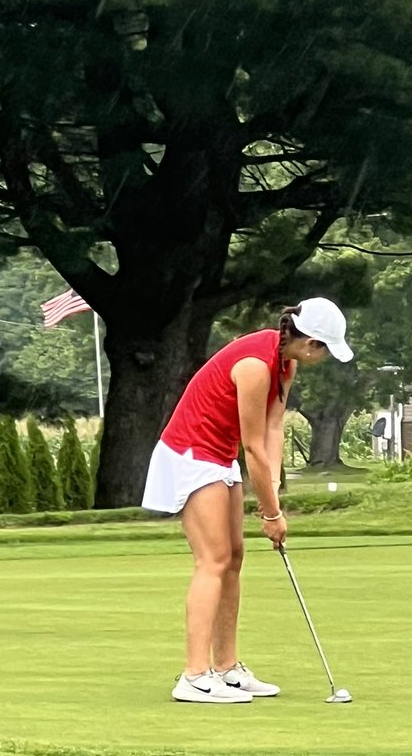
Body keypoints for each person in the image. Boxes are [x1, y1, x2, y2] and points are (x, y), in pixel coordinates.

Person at [142, 298, 353, 703]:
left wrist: (271, 490)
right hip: (190, 454)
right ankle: (193, 675)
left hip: (219, 455)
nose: (323, 358)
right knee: (214, 559)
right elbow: (254, 448)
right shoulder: (257, 366)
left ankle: (226, 667)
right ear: (310, 343)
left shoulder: (284, 364)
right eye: (325, 349)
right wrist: (272, 514)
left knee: (234, 558)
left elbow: (274, 429)